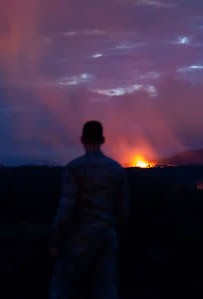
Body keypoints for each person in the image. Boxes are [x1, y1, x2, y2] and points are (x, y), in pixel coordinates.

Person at [49, 120, 129, 299]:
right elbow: (124, 210)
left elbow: (66, 207)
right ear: (103, 140)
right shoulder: (116, 170)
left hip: (78, 236)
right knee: (106, 288)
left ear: (82, 139)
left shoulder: (74, 168)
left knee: (63, 287)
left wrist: (56, 240)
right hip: (107, 235)